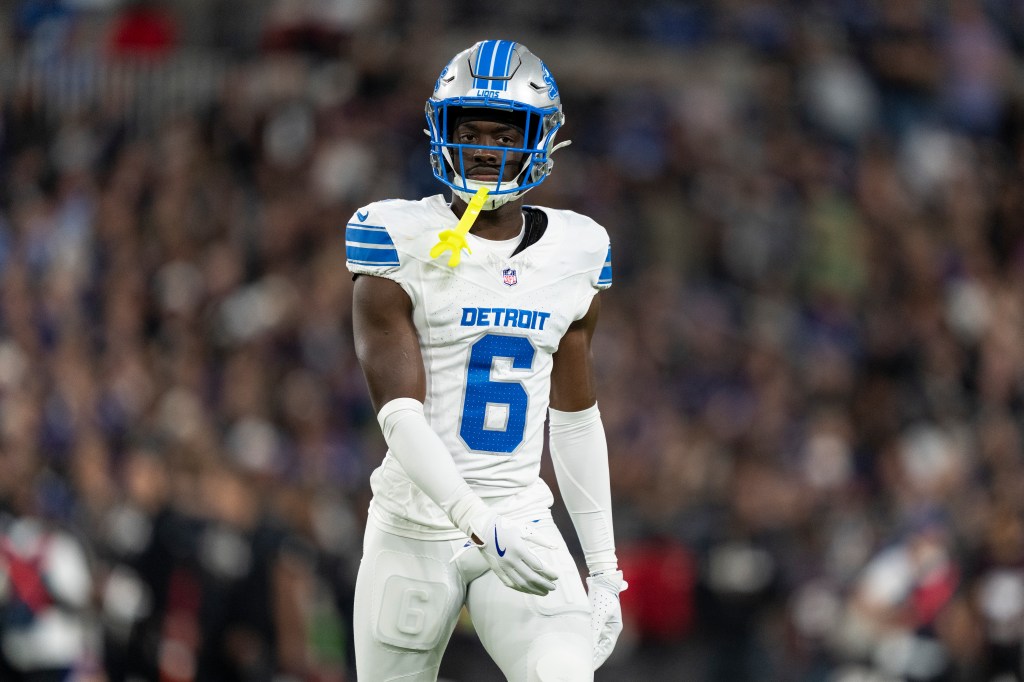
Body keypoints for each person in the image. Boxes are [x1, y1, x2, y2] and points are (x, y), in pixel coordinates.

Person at [345, 39, 627, 681]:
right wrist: (477, 525)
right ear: (439, 133)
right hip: (416, 527)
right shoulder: (395, 237)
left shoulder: (579, 250)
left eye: (506, 131)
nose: (485, 146)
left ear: (543, 139)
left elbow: (577, 418)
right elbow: (399, 415)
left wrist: (605, 570)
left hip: (522, 519)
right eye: (469, 129)